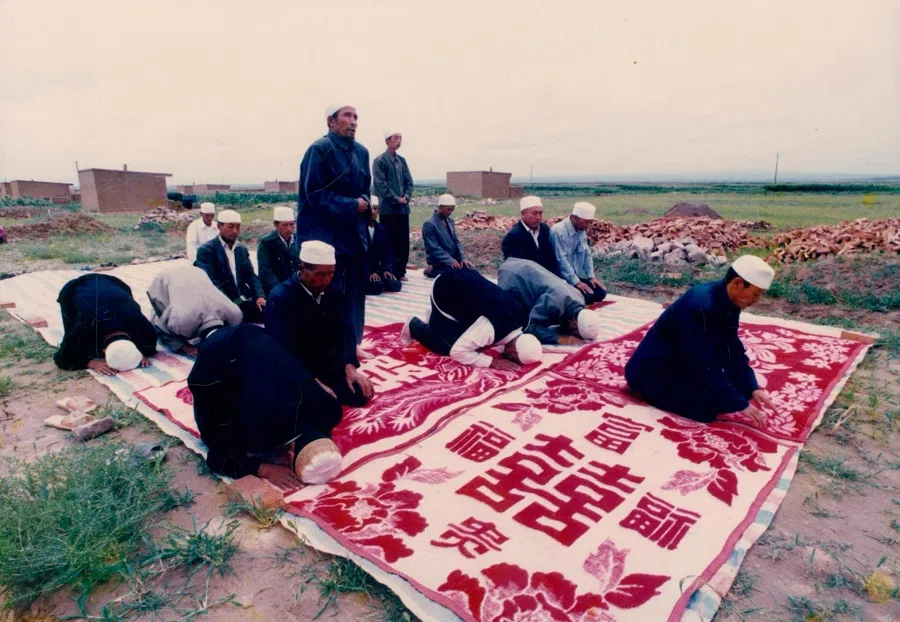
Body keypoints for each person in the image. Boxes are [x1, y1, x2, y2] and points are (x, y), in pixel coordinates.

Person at [624, 255, 778, 428]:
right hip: (652, 371)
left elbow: (731, 347)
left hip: (682, 359)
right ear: (737, 284)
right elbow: (703, 362)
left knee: (737, 390)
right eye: (756, 294)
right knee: (708, 408)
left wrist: (752, 388)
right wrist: (739, 403)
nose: (756, 300)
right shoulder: (701, 305)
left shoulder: (729, 299)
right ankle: (642, 390)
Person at [189, 324, 344, 486]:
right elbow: (218, 458)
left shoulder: (330, 410)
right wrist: (263, 468)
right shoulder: (255, 436)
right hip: (217, 350)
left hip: (253, 332)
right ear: (289, 455)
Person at [265, 240, 375, 407]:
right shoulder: (281, 297)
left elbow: (345, 331)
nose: (326, 280)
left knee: (361, 393)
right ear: (302, 269)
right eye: (320, 275)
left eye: (331, 274)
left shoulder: (333, 291)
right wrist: (312, 381)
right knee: (321, 407)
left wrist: (350, 365)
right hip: (295, 367)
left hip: (325, 362)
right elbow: (283, 348)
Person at [296, 104, 372, 345]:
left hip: (353, 236)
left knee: (354, 293)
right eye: (347, 116)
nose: (353, 122)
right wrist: (353, 205)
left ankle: (352, 343)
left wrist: (365, 203)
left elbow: (366, 191)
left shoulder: (362, 152)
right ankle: (328, 347)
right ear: (331, 121)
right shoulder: (319, 150)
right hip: (325, 237)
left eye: (356, 117)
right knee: (327, 293)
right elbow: (315, 194)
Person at [401, 268, 543, 370]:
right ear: (512, 353)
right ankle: (413, 325)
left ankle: (435, 318)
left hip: (465, 277)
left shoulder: (523, 319)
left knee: (472, 338)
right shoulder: (491, 328)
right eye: (514, 360)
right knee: (447, 346)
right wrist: (491, 361)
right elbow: (457, 352)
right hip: (444, 287)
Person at [53, 274, 157, 374]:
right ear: (103, 350)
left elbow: (150, 346)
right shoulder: (84, 327)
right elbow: (62, 358)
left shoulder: (141, 324)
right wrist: (91, 363)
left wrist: (140, 354)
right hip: (74, 288)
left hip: (113, 284)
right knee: (73, 336)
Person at [497, 258, 602, 346]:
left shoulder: (580, 300)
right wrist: (559, 339)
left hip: (527, 267)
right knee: (511, 321)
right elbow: (529, 326)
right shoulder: (555, 303)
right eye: (576, 334)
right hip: (512, 275)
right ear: (574, 324)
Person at [147, 265, 243, 356]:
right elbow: (161, 327)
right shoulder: (182, 321)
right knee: (160, 316)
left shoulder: (235, 314)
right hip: (165, 278)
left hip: (197, 272)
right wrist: (185, 347)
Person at [194, 209, 266, 323]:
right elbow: (212, 283)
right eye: (231, 226)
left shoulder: (241, 249)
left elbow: (251, 276)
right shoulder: (207, 251)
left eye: (238, 227)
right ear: (219, 226)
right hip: (221, 302)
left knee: (273, 315)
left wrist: (260, 296)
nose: (235, 231)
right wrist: (234, 303)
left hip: (242, 299)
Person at [372, 130, 414, 282]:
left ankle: (400, 272)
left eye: (400, 138)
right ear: (387, 141)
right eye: (396, 138)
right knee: (389, 241)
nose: (399, 141)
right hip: (389, 210)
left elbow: (409, 182)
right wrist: (396, 199)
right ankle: (388, 271)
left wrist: (406, 197)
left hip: (403, 210)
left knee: (403, 242)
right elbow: (381, 185)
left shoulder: (402, 161)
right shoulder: (380, 161)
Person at [550, 202, 607, 304]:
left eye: (590, 222)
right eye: (586, 222)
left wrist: (591, 277)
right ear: (574, 217)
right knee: (588, 297)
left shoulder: (581, 230)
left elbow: (586, 253)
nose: (588, 225)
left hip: (574, 277)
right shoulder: (558, 231)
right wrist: (577, 282)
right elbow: (561, 260)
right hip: (561, 279)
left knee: (601, 292)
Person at [501, 195, 561, 277]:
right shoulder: (514, 237)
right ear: (523, 214)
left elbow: (551, 259)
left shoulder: (544, 229)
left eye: (540, 213)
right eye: (534, 213)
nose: (538, 217)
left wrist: (559, 280)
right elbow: (520, 270)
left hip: (549, 280)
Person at [422, 194, 472, 278]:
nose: (450, 212)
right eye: (448, 209)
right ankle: (432, 270)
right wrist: (450, 261)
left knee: (471, 270)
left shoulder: (450, 220)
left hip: (453, 259)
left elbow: (456, 241)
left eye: (452, 210)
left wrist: (463, 258)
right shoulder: (429, 223)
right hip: (440, 262)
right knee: (458, 275)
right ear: (440, 207)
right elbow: (434, 248)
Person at [257, 206, 299, 295]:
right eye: (285, 225)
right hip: (276, 291)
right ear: (276, 224)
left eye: (291, 224)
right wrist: (281, 291)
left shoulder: (298, 240)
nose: (289, 228)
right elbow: (266, 272)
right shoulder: (266, 243)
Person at [365, 197, 402, 295]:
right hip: (363, 269)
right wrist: (369, 272)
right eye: (371, 208)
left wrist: (387, 269)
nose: (373, 212)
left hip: (377, 269)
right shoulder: (359, 229)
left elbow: (387, 253)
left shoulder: (382, 229)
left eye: (376, 208)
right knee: (376, 287)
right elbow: (358, 255)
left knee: (395, 285)